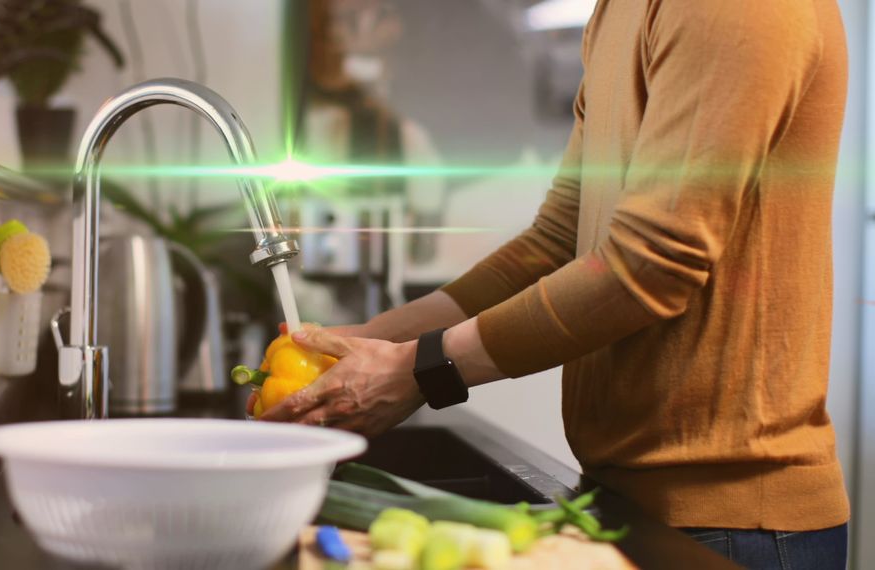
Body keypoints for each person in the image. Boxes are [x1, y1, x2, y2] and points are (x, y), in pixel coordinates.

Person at [258, 0, 851, 567]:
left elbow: (652, 264)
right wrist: (367, 342)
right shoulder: (619, 11)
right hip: (626, 495)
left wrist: (420, 368)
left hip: (735, 520)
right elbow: (556, 240)